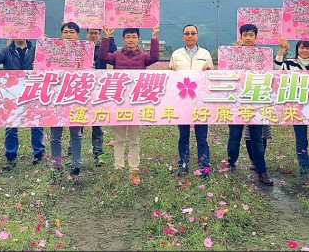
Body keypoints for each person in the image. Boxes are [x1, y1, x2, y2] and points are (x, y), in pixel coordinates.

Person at [98, 25, 160, 185]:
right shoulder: (117, 55)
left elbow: (155, 58)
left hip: (136, 102)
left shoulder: (144, 56)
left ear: (138, 39)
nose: (131, 40)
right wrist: (106, 38)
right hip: (119, 101)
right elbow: (103, 57)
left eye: (134, 37)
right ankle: (118, 168)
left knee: (134, 139)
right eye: (128, 37)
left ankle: (134, 169)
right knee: (118, 139)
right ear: (123, 39)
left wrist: (154, 38)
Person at [0, 29, 45, 170]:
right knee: (11, 126)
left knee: (36, 123)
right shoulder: (7, 51)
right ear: (11, 33)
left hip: (33, 90)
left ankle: (38, 154)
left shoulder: (36, 50)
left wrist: (45, 45)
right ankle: (11, 156)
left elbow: (47, 63)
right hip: (12, 92)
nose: (20, 34)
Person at [274, 38, 309, 179]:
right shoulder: (289, 64)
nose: (305, 51)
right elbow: (275, 70)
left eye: (308, 48)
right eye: (302, 48)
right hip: (297, 109)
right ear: (297, 49)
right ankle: (305, 172)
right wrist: (281, 50)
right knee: (301, 142)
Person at [225, 24, 274, 186]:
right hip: (236, 102)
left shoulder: (263, 55)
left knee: (257, 140)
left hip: (256, 102)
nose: (247, 38)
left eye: (250, 35)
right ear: (240, 36)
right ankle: (231, 165)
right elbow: (225, 73)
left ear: (255, 37)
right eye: (244, 35)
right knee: (234, 139)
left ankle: (262, 172)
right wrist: (233, 54)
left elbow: (270, 75)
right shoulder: (232, 54)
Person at [169, 24, 214, 177]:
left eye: (193, 33)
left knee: (202, 136)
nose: (190, 36)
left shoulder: (205, 54)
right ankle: (183, 164)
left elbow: (211, 76)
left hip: (201, 101)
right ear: (183, 36)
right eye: (187, 33)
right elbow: (170, 76)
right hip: (182, 101)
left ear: (197, 36)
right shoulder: (176, 54)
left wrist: (208, 73)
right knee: (183, 135)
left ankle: (204, 166)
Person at [49, 22, 84, 176]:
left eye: (72, 32)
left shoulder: (85, 52)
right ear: (61, 34)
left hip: (76, 97)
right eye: (65, 32)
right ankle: (56, 164)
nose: (68, 35)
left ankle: (76, 164)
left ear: (77, 35)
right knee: (55, 134)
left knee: (76, 134)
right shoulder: (51, 51)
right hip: (56, 97)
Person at [84, 27, 117, 166]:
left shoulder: (102, 47)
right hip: (80, 89)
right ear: (86, 34)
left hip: (97, 89)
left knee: (97, 123)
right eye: (91, 33)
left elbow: (114, 54)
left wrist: (109, 37)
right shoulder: (80, 48)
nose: (93, 35)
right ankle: (71, 154)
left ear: (99, 35)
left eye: (96, 33)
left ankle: (99, 154)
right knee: (76, 123)